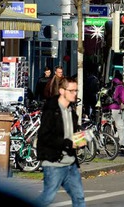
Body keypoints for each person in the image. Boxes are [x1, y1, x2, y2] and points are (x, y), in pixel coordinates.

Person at [36, 76, 87, 207]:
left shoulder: (72, 111)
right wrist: (69, 144)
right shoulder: (51, 111)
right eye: (71, 91)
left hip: (71, 163)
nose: (75, 94)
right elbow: (45, 137)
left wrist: (80, 140)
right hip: (54, 163)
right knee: (47, 198)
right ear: (62, 91)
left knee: (79, 198)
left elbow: (72, 133)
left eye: (76, 91)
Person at [108, 71, 124, 152]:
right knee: (121, 126)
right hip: (115, 108)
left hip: (105, 107)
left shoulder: (110, 84)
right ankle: (123, 144)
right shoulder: (120, 87)